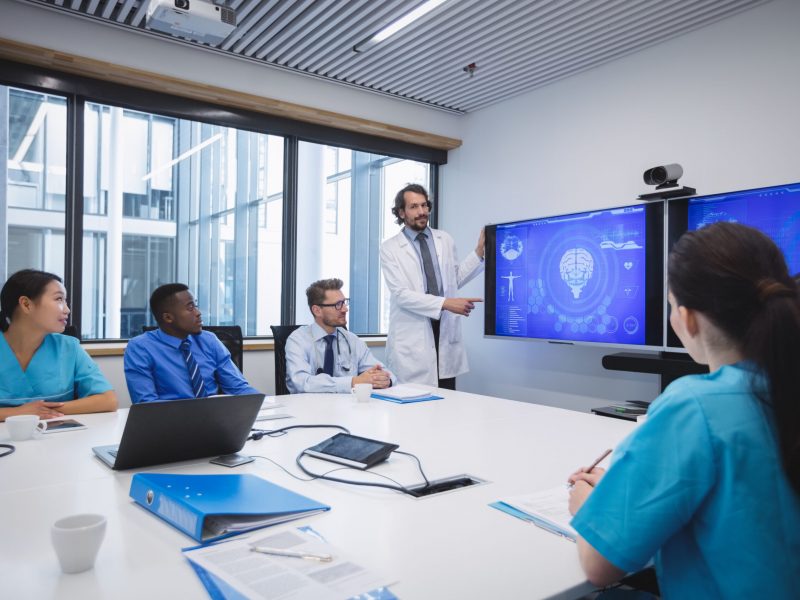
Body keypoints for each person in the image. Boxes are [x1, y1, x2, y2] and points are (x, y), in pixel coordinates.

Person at [567, 222, 800, 598]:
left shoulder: (695, 406)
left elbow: (599, 565)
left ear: (687, 318)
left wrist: (587, 504)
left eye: (671, 307)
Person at [380, 183, 485, 389]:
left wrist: (479, 252)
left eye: (424, 205)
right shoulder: (390, 248)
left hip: (444, 331)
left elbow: (453, 279)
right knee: (415, 409)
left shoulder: (444, 239)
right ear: (401, 212)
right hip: (413, 338)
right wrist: (446, 303)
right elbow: (401, 295)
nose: (421, 212)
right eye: (413, 207)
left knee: (446, 404)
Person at [0, 269, 117, 421]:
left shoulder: (69, 347)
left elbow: (108, 400)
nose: (67, 310)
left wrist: (42, 411)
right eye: (59, 299)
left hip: (56, 438)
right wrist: (19, 413)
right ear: (26, 304)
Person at [124, 283, 261, 403]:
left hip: (216, 420)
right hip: (169, 424)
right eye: (190, 308)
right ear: (168, 317)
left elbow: (239, 388)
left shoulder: (209, 340)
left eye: (196, 306)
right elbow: (146, 404)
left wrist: (265, 405)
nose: (198, 313)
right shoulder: (140, 348)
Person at [285, 278, 395, 394]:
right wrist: (353, 382)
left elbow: (387, 373)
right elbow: (300, 383)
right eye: (338, 305)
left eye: (344, 302)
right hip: (308, 409)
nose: (345, 309)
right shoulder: (297, 340)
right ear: (317, 310)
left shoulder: (352, 340)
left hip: (347, 409)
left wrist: (385, 380)